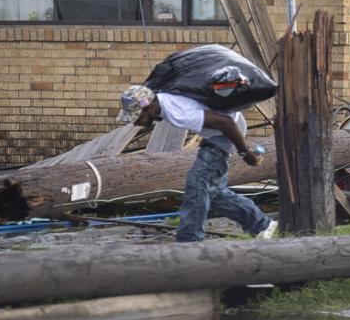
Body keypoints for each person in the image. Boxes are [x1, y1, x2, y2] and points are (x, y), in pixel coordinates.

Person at [116, 84, 278, 242]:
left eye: (137, 117)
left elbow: (225, 122)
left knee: (197, 183)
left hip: (227, 129)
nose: (137, 122)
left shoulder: (177, 111)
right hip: (217, 131)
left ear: (148, 108)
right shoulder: (160, 101)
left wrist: (245, 152)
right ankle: (262, 225)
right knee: (214, 192)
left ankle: (189, 241)